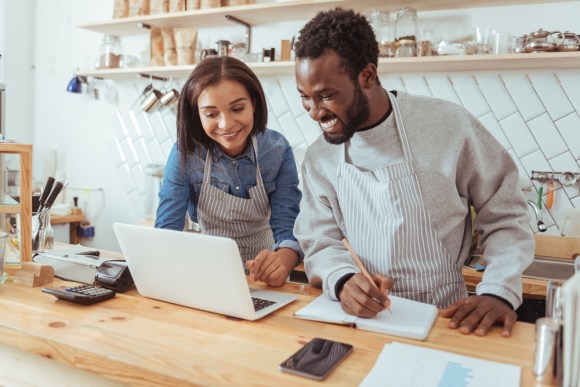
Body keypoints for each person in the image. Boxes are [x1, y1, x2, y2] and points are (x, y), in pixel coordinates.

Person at [293, 9, 534, 337]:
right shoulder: (320, 157)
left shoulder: (448, 127)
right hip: (365, 322)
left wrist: (497, 291)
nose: (315, 113)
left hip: (447, 320)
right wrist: (343, 280)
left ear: (366, 76)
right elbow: (318, 239)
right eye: (305, 98)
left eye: (327, 96)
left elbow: (506, 214)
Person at [155, 56, 303, 287]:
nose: (226, 124)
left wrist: (280, 264)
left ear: (254, 104)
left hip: (264, 279)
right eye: (211, 114)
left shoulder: (276, 150)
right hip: (208, 275)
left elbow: (288, 228)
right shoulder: (186, 153)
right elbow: (166, 230)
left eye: (237, 108)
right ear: (197, 114)